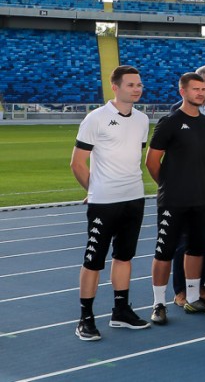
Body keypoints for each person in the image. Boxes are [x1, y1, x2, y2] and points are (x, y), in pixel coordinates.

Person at [70, 65, 152, 340]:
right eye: (131, 85)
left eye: (139, 84)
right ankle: (85, 318)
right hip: (104, 202)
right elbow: (77, 163)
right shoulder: (95, 118)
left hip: (134, 198)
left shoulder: (142, 120)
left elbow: (133, 157)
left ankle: (120, 311)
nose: (137, 89)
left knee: (124, 257)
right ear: (115, 87)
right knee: (93, 260)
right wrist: (94, 190)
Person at [146, 72, 205, 325]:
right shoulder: (169, 122)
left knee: (196, 249)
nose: (200, 93)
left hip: (200, 199)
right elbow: (152, 161)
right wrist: (168, 186)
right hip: (173, 200)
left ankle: (192, 297)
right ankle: (158, 303)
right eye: (195, 89)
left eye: (203, 89)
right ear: (183, 92)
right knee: (164, 252)